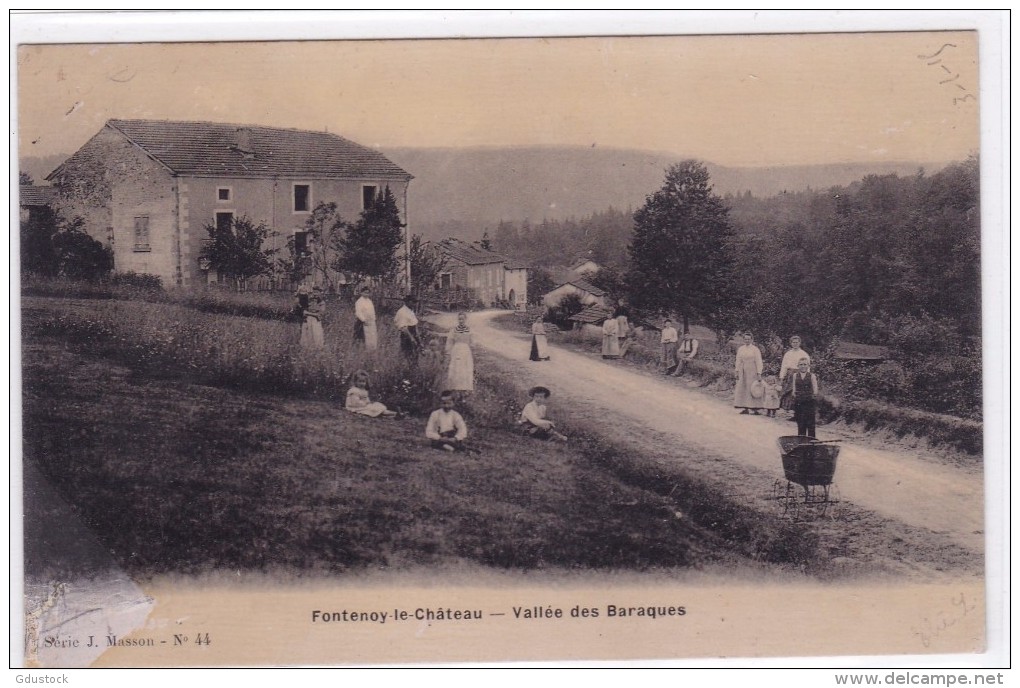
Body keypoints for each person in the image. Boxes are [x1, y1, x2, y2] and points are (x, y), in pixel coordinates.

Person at [733, 331, 765, 414]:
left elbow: (759, 361)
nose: (747, 341)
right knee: (744, 388)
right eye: (745, 339)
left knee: (753, 388)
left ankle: (755, 408)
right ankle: (746, 407)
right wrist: (737, 371)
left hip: (752, 370)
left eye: (749, 339)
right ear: (743, 340)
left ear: (752, 340)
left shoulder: (755, 349)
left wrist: (759, 373)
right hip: (743, 370)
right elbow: (738, 360)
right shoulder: (741, 349)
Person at [445, 312, 474, 394]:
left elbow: (472, 342)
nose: (461, 321)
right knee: (456, 367)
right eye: (459, 319)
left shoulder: (469, 330)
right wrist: (448, 351)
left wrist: (470, 346)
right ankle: (455, 387)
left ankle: (465, 388)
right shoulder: (453, 330)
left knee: (465, 367)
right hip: (456, 350)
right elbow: (449, 341)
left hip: (465, 350)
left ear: (465, 319)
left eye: (462, 319)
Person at [790, 358, 819, 437]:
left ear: (808, 366)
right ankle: (801, 440)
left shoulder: (812, 376)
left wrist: (813, 395)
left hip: (809, 401)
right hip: (799, 401)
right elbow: (794, 388)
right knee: (800, 421)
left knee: (810, 422)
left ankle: (811, 441)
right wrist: (795, 396)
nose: (803, 366)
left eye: (805, 364)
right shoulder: (795, 375)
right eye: (801, 364)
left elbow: (815, 388)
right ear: (798, 366)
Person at [394, 295, 421, 361]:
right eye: (413, 302)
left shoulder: (410, 311)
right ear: (408, 302)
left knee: (415, 353)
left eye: (415, 302)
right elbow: (403, 327)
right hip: (407, 335)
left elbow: (414, 324)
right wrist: (411, 338)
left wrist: (417, 336)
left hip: (413, 332)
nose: (415, 304)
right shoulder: (402, 312)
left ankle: (414, 368)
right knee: (408, 353)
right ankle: (407, 368)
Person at [354, 286, 377, 350]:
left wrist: (373, 319)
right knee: (362, 337)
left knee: (371, 336)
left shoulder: (369, 301)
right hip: (362, 322)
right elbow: (358, 312)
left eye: (368, 293)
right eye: (365, 293)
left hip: (370, 322)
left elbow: (372, 311)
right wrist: (363, 320)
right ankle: (361, 350)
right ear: (361, 293)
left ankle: (371, 349)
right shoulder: (359, 302)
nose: (366, 294)